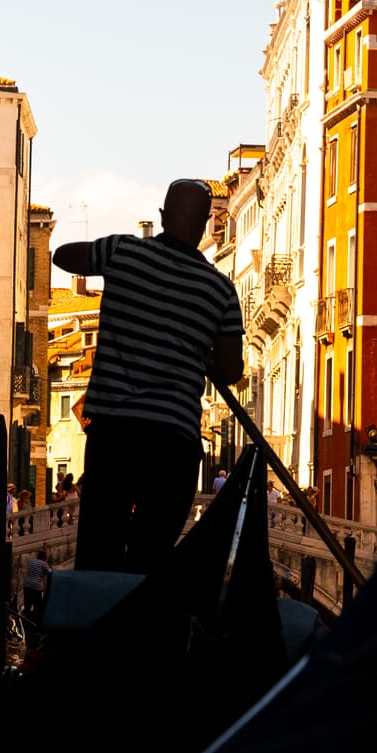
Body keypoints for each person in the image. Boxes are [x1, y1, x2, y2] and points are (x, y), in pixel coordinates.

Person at [54, 179, 245, 576]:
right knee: (150, 562)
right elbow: (231, 371)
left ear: (162, 216)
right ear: (205, 225)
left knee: (99, 555)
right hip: (174, 442)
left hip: (114, 433)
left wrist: (102, 257)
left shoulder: (123, 252)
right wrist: (193, 343)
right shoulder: (221, 290)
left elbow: (62, 256)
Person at [21, 549, 51, 632]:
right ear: (44, 558)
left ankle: (26, 625)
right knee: (38, 607)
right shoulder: (43, 564)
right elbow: (50, 573)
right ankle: (36, 626)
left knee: (27, 606)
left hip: (27, 586)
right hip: (36, 587)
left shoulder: (31, 561)